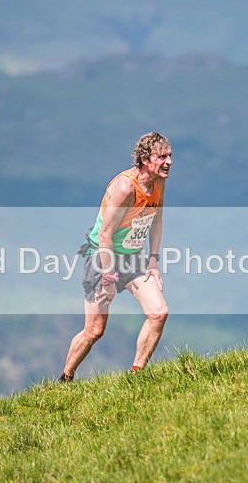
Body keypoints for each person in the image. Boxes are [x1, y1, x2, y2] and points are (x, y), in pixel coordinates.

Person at [59, 132, 172, 381]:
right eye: (162, 157)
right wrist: (108, 277)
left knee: (159, 313)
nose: (169, 162)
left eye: (170, 156)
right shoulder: (125, 187)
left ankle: (135, 377)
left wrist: (153, 260)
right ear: (145, 159)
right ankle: (65, 379)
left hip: (132, 257)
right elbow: (105, 235)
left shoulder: (158, 182)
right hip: (102, 257)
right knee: (94, 331)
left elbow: (157, 219)